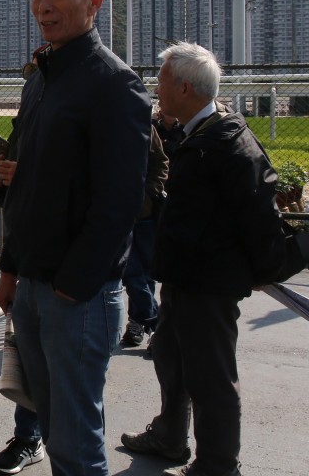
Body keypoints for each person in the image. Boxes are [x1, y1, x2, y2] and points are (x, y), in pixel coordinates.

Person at [0, 0, 151, 476]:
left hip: (77, 296)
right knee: (51, 418)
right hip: (35, 285)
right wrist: (12, 266)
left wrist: (74, 282)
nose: (43, 5)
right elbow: (29, 185)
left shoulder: (114, 84)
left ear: (95, 0)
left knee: (76, 443)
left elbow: (121, 199)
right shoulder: (41, 79)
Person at [120, 42, 285, 476]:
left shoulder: (226, 143)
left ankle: (217, 464)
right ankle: (170, 437)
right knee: (169, 357)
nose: (157, 88)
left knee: (211, 376)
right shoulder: (199, 133)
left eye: (162, 80)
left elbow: (260, 213)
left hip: (209, 282)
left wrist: (260, 271)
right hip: (183, 276)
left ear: (186, 89)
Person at [0, 112, 45, 474]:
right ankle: (28, 436)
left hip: (78, 276)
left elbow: (106, 192)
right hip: (32, 263)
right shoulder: (38, 98)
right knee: (31, 361)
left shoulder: (107, 93)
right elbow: (19, 206)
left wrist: (33, 180)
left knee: (74, 385)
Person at [121, 123, 169, 349]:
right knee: (132, 274)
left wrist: (148, 194)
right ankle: (158, 325)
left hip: (145, 215)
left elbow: (161, 163)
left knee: (143, 274)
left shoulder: (143, 126)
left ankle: (139, 323)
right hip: (118, 216)